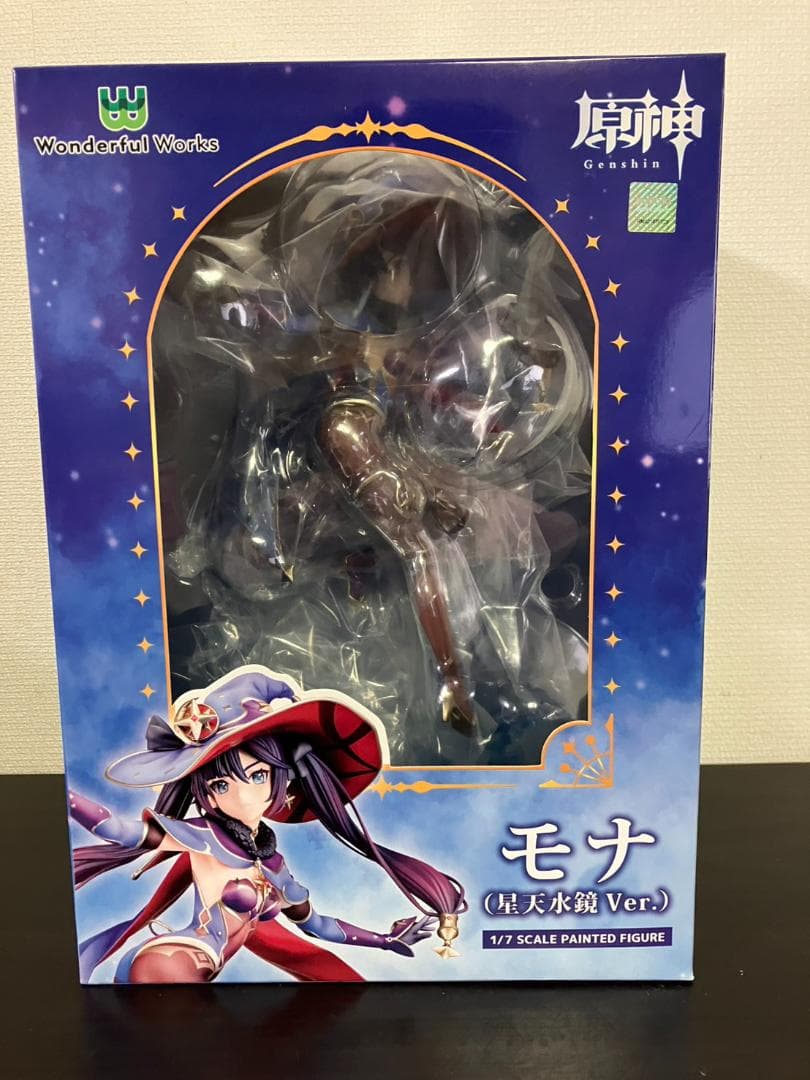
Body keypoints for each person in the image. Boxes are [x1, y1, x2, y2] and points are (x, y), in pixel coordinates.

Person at [70, 665, 466, 983]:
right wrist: (68, 796)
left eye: (258, 776)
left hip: (209, 971)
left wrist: (384, 939)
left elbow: (318, 926)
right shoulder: (204, 837)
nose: (242, 796)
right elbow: (121, 831)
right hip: (174, 959)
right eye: (221, 784)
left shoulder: (275, 866)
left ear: (284, 778)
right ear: (207, 794)